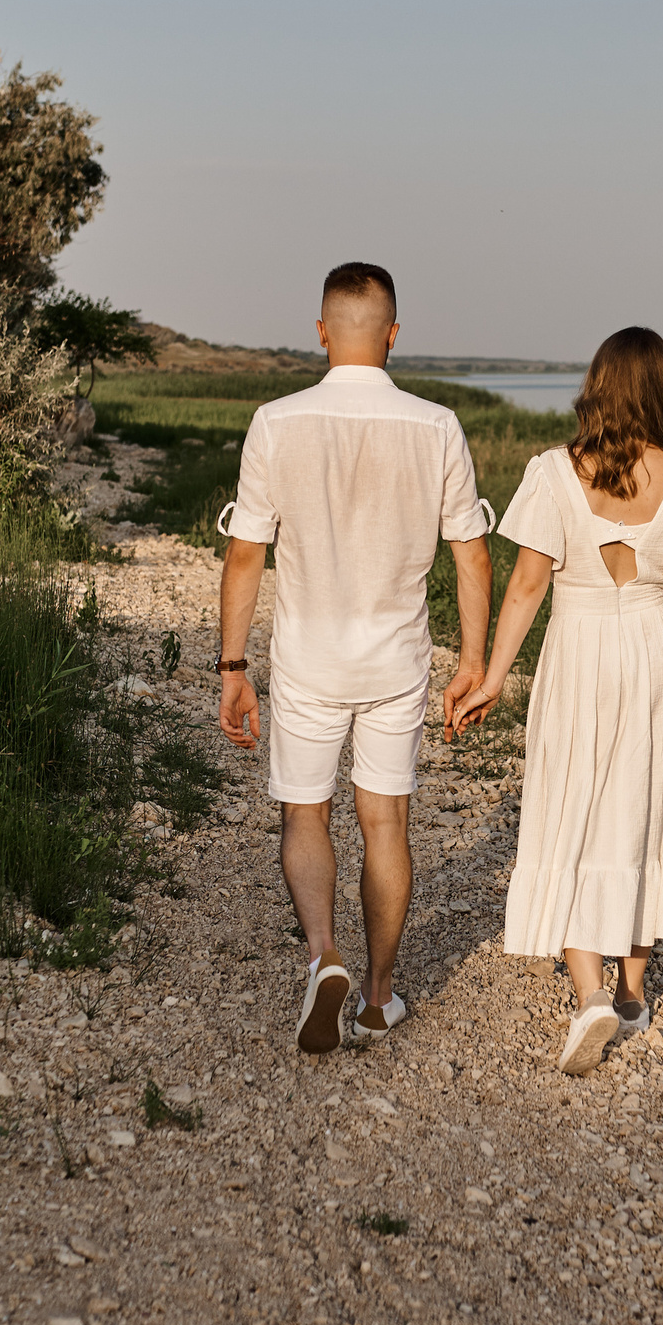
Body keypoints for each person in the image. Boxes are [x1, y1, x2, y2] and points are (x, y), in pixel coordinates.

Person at [449, 328, 663, 1076]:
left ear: (597, 386)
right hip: (652, 650)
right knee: (645, 807)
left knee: (571, 805)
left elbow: (527, 585)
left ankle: (587, 988)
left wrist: (491, 676)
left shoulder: (554, 473)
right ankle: (631, 989)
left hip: (577, 650)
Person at [216, 263, 494, 1054]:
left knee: (305, 813)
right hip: (396, 660)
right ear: (395, 335)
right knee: (386, 820)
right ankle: (376, 999)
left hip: (309, 656)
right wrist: (472, 659)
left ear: (322, 332)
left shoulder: (276, 420)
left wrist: (232, 666)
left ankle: (321, 956)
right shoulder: (437, 425)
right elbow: (470, 555)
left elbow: (245, 555)